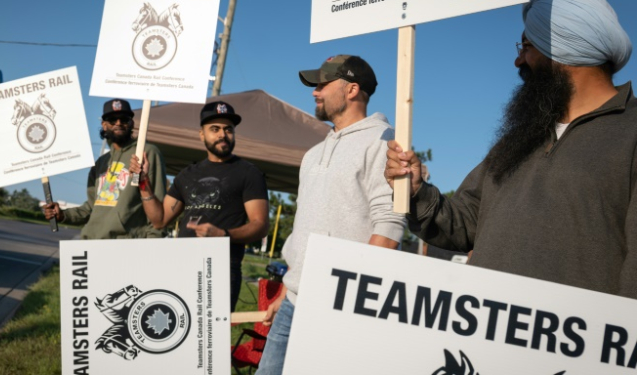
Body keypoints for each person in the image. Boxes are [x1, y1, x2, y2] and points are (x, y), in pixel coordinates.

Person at [385, 0, 636, 299]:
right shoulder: (518, 140)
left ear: (563, 49)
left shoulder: (630, 132)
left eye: (527, 46)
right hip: (483, 332)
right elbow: (463, 222)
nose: (518, 61)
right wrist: (417, 191)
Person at [256, 55, 407, 374]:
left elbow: (390, 223)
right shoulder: (312, 154)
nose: (315, 91)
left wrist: (351, 296)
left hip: (338, 307)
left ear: (352, 89)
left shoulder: (384, 142)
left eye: (322, 84)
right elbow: (303, 232)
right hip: (293, 303)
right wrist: (285, 291)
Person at [129, 101, 270, 309]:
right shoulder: (187, 174)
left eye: (228, 129)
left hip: (220, 269)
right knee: (178, 333)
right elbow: (159, 220)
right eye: (215, 129)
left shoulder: (249, 173)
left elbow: (260, 225)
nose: (223, 134)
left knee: (211, 337)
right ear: (201, 134)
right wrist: (143, 183)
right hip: (181, 264)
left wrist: (222, 235)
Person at [43, 98, 167, 239]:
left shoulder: (147, 153)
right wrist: (63, 215)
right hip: (91, 240)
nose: (118, 123)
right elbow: (90, 208)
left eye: (124, 119)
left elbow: (159, 208)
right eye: (112, 120)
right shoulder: (101, 163)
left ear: (132, 123)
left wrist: (152, 245)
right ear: (104, 125)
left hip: (125, 246)